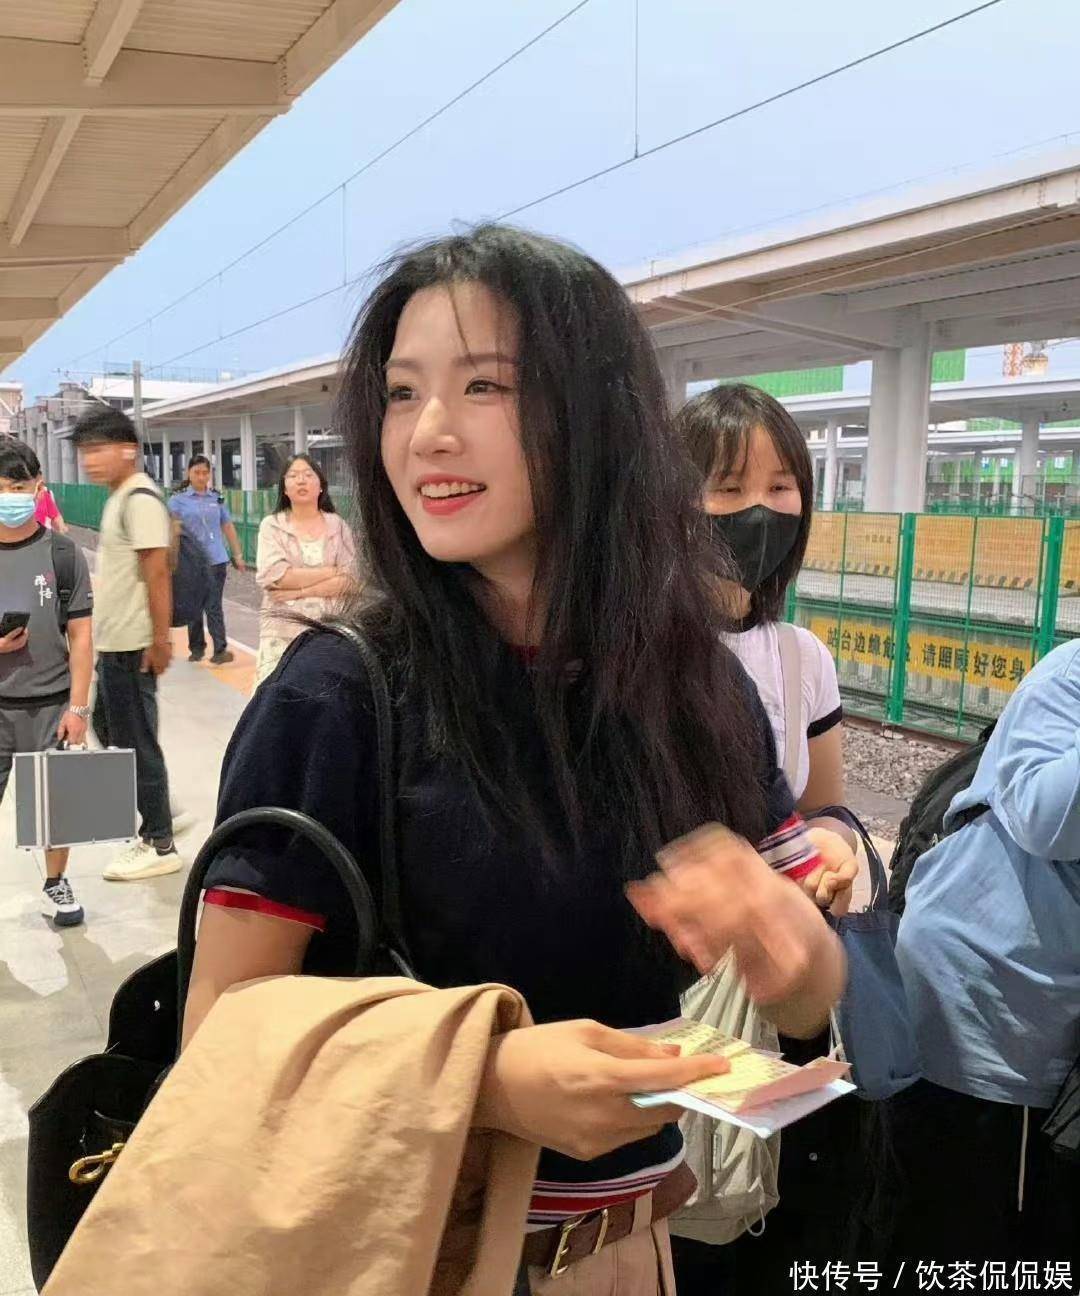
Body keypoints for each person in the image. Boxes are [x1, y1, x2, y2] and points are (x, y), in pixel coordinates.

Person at [182, 225, 846, 1295]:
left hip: (637, 1248)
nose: (428, 434)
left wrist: (795, 948)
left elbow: (807, 998)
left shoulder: (695, 688)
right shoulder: (339, 697)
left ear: (600, 416)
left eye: (484, 385)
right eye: (402, 393)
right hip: (418, 1261)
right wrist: (484, 1080)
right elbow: (220, 1029)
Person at [671, 383, 861, 1294]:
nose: (759, 512)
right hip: (668, 988)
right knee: (680, 1209)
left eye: (781, 487)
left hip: (774, 983)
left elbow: (826, 807)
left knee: (751, 1201)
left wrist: (839, 846)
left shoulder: (799, 656)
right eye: (728, 487)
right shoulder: (632, 653)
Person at [889, 637, 1080, 1276]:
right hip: (985, 1003)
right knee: (959, 1240)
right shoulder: (1071, 672)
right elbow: (1046, 817)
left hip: (1043, 1017)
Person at [71, 406, 183, 882]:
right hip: (116, 642)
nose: (89, 461)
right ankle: (157, 806)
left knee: (135, 744)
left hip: (134, 644)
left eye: (98, 449)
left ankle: (159, 841)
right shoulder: (119, 496)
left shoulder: (138, 497)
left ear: (128, 450)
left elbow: (156, 572)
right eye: (85, 452)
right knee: (112, 729)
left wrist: (160, 640)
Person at [0, 440, 92, 926]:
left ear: (38, 487)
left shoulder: (62, 553)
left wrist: (78, 708)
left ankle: (56, 882)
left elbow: (81, 634)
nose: (9, 497)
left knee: (57, 808)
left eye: (17, 487)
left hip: (52, 702)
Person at [253, 454, 357, 686]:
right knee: (277, 694)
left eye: (308, 475)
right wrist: (332, 572)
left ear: (321, 486)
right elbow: (276, 576)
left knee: (322, 695)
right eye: (293, 476)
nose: (301, 480)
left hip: (329, 630)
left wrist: (298, 591)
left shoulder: (338, 526)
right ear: (284, 489)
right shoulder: (272, 526)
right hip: (282, 631)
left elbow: (351, 580)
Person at [168, 454, 245, 665]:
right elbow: (172, 531)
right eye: (197, 473)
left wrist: (237, 554)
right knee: (193, 605)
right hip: (190, 563)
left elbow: (227, 526)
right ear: (188, 473)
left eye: (205, 473)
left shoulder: (217, 499)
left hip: (216, 560)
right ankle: (196, 648)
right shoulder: (177, 501)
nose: (201, 477)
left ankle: (220, 649)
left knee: (213, 605)